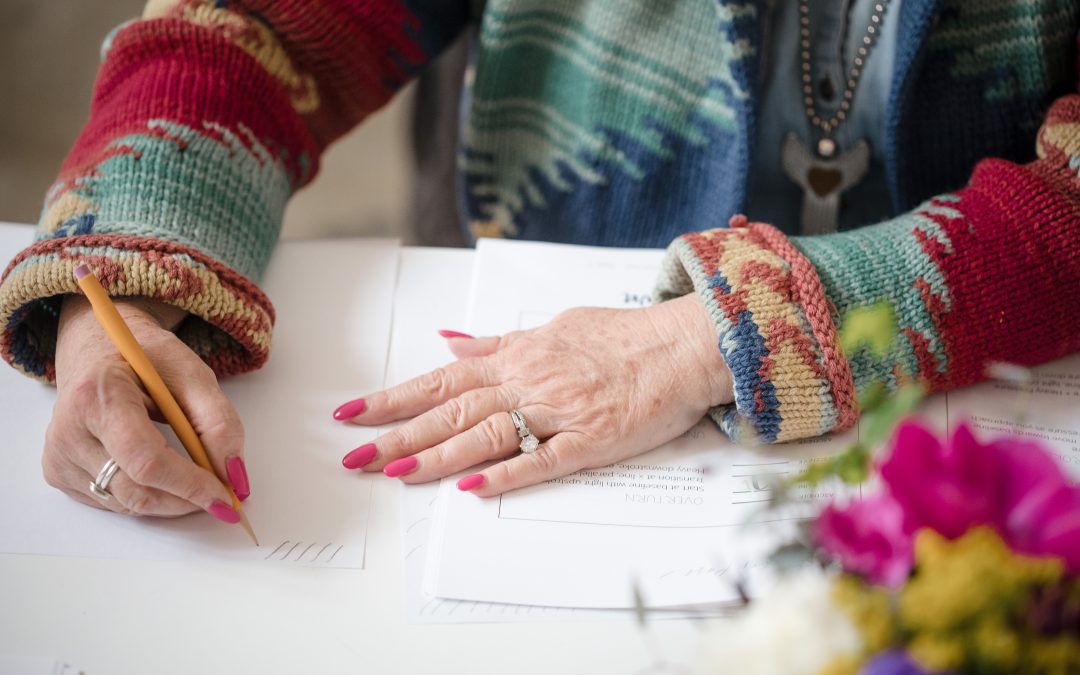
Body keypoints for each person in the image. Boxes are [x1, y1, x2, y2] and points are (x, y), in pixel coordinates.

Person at [2, 0, 1077, 523]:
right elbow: (247, 33)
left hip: (996, 390)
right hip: (535, 293)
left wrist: (729, 331)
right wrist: (128, 284)